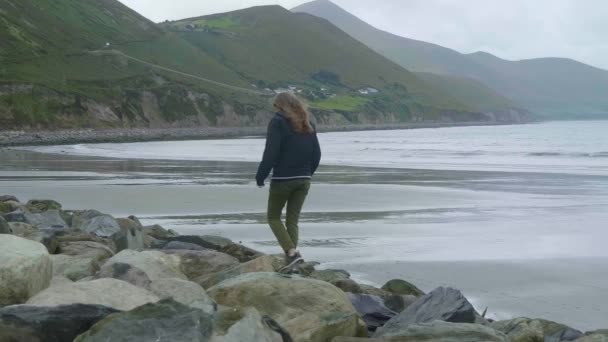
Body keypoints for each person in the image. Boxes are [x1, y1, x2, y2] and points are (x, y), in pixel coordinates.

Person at [256, 92, 321, 270]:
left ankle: (291, 253)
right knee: (292, 220)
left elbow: (271, 153)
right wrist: (307, 173)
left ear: (279, 106)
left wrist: (261, 175)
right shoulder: (308, 122)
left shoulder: (278, 122)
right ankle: (292, 258)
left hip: (283, 179)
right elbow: (317, 154)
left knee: (273, 217)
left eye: (275, 107)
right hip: (304, 179)